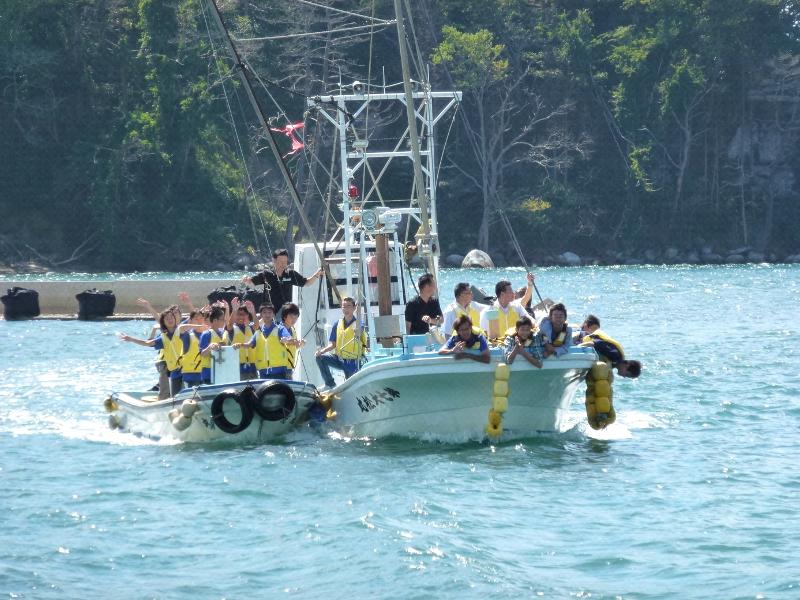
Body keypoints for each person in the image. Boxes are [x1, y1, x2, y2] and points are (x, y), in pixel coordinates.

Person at [119, 308, 183, 398]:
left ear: (176, 318)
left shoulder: (184, 330)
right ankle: (165, 402)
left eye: (172, 317)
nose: (170, 320)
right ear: (163, 322)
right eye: (167, 319)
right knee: (173, 394)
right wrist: (131, 339)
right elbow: (147, 343)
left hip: (187, 369)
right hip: (174, 370)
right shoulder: (163, 338)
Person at [242, 248, 323, 311]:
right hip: (269, 311)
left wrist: (317, 274)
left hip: (285, 312)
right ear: (274, 261)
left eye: (285, 261)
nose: (283, 264)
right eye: (281, 261)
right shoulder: (266, 274)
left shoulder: (291, 274)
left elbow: (306, 283)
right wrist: (246, 279)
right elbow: (251, 283)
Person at [315, 297, 367, 388]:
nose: (345, 309)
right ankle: (330, 384)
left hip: (352, 362)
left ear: (354, 308)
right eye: (344, 306)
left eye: (348, 306)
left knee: (351, 387)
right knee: (320, 357)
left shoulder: (359, 323)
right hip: (339, 359)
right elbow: (333, 344)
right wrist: (322, 351)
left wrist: (358, 326)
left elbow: (359, 331)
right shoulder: (337, 324)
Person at [577, 315, 642, 378]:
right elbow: (594, 343)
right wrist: (577, 347)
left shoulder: (614, 363)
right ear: (627, 365)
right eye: (627, 374)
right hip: (583, 338)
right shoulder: (615, 355)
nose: (624, 376)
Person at [199, 304, 230, 384]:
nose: (224, 321)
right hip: (209, 372)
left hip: (222, 371)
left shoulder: (224, 333)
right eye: (222, 319)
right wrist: (210, 347)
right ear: (215, 320)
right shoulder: (206, 334)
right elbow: (202, 353)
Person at [228, 298, 257, 380]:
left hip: (252, 366)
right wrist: (234, 310)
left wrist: (253, 311)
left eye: (243, 314)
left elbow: (257, 325)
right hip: (238, 366)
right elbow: (229, 324)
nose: (240, 316)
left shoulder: (250, 328)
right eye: (238, 314)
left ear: (247, 316)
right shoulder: (232, 329)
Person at [277, 302, 304, 379]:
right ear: (285, 317)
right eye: (291, 317)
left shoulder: (292, 329)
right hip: (281, 368)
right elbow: (286, 339)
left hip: (289, 367)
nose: (294, 320)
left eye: (296, 317)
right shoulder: (281, 328)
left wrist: (301, 343)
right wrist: (296, 341)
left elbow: (295, 345)